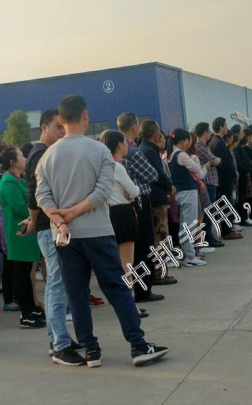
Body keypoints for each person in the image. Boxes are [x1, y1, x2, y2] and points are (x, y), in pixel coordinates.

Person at [36, 95, 168, 367]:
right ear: (85, 115)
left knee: (77, 294)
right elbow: (102, 192)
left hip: (65, 237)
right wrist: (76, 212)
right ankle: (138, 345)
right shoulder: (99, 151)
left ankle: (91, 350)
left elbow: (42, 196)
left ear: (60, 119)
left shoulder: (47, 156)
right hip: (96, 231)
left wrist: (61, 219)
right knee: (117, 289)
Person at [25, 109, 84, 363]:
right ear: (43, 128)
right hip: (50, 227)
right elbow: (34, 194)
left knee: (56, 283)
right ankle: (60, 344)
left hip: (50, 225)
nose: (62, 131)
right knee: (58, 283)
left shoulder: (45, 152)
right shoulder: (41, 154)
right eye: (57, 127)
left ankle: (57, 338)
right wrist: (34, 220)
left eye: (63, 127)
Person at [100, 130, 148, 319]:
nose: (127, 145)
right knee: (127, 265)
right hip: (123, 214)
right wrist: (130, 192)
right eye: (125, 142)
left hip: (108, 214)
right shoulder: (117, 166)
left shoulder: (101, 165)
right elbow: (134, 191)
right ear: (119, 144)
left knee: (117, 264)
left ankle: (126, 304)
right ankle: (130, 306)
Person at [116, 112, 164, 303]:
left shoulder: (113, 151)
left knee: (131, 252)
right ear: (134, 127)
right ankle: (144, 289)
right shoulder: (133, 151)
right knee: (144, 247)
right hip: (140, 200)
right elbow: (152, 175)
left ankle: (136, 288)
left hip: (123, 203)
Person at [0, 146, 44, 329]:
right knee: (21, 274)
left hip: (27, 230)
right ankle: (26, 314)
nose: (25, 158)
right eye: (21, 156)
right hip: (18, 232)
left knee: (26, 273)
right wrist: (35, 209)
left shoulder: (21, 179)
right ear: (12, 162)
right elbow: (20, 207)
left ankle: (31, 309)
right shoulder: (8, 182)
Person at [138, 120, 176, 286]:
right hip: (156, 200)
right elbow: (158, 175)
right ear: (154, 133)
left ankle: (157, 272)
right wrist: (169, 186)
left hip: (151, 199)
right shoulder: (149, 151)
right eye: (159, 132)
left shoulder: (143, 149)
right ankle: (159, 274)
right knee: (160, 237)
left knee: (157, 237)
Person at [167, 129, 206, 266]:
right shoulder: (182, 155)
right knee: (189, 225)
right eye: (189, 140)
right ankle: (190, 256)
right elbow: (198, 171)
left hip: (178, 193)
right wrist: (195, 160)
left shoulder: (169, 154)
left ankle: (187, 254)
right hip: (188, 193)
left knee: (183, 225)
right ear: (184, 141)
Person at [210, 117, 242, 240]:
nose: (227, 127)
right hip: (223, 179)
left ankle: (227, 229)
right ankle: (227, 231)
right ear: (221, 127)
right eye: (226, 125)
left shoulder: (216, 141)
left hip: (222, 178)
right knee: (225, 205)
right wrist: (233, 173)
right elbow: (225, 163)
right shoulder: (218, 142)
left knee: (225, 204)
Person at [194, 122, 224, 248]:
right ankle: (208, 238)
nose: (210, 134)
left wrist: (217, 160)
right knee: (208, 211)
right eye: (209, 132)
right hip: (207, 181)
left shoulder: (204, 146)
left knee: (209, 210)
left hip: (211, 181)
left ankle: (209, 237)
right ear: (205, 133)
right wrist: (217, 159)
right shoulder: (199, 146)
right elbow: (214, 160)